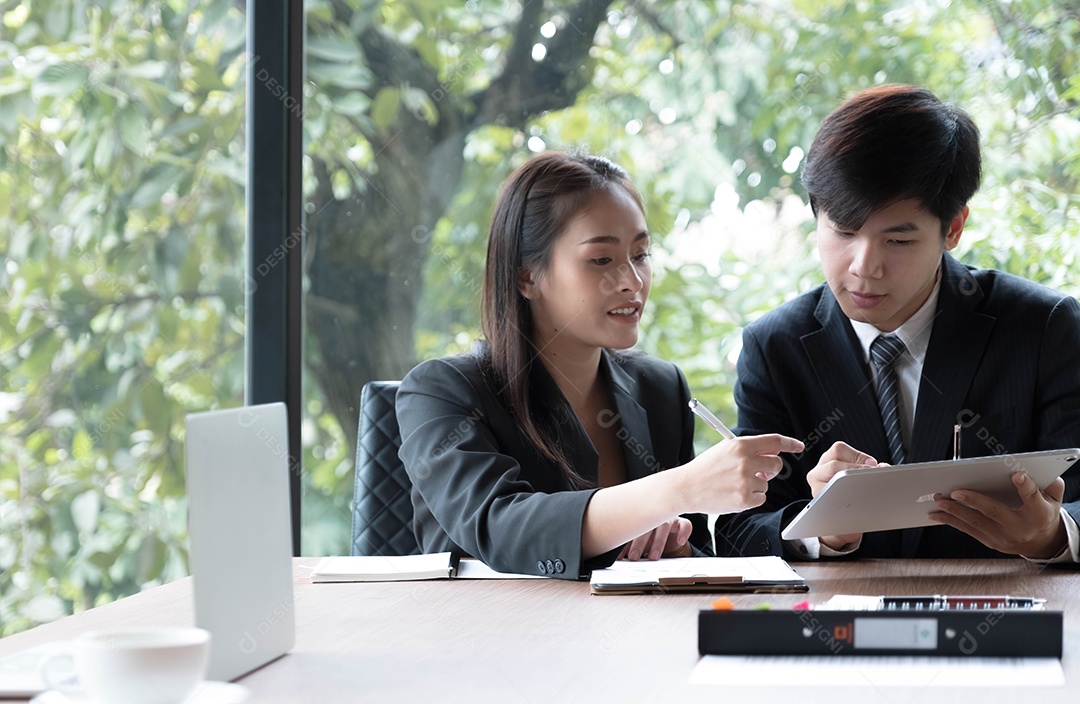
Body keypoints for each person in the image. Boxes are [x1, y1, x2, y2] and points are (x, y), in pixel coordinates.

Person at [714, 84, 1080, 562]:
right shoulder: (775, 346)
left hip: (1002, 617)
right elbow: (738, 527)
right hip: (834, 624)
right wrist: (822, 529)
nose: (865, 266)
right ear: (815, 216)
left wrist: (1052, 535)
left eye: (899, 241)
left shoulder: (1042, 327)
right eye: (844, 232)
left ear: (953, 228)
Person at [396, 151, 803, 578]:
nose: (631, 280)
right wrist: (678, 489)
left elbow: (693, 557)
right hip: (491, 636)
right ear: (526, 277)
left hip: (629, 638)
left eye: (641, 254)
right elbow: (499, 526)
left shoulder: (660, 388)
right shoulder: (441, 391)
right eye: (601, 260)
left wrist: (677, 549)